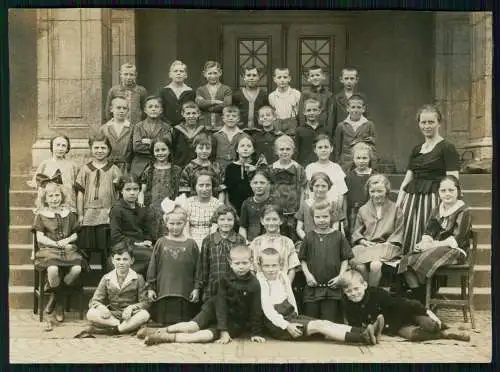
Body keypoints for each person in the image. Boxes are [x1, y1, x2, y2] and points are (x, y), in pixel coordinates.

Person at [143, 246, 265, 345]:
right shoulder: (224, 279)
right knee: (191, 327)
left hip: (234, 320)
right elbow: (220, 304)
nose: (241, 266)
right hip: (213, 309)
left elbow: (256, 309)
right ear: (230, 263)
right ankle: (160, 331)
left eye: (244, 263)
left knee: (205, 336)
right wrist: (223, 330)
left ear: (251, 262)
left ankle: (166, 338)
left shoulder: (254, 284)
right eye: (237, 263)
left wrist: (256, 332)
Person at [257, 248, 381, 345]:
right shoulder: (261, 280)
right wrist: (287, 325)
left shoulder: (282, 275)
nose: (271, 269)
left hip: (290, 316)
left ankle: (364, 330)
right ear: (260, 266)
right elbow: (268, 310)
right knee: (319, 326)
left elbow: (290, 296)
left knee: (324, 322)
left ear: (280, 264)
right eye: (266, 266)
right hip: (278, 325)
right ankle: (363, 337)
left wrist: (296, 315)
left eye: (274, 265)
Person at [395, 104, 460, 255]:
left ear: (439, 123)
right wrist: (399, 201)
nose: (427, 126)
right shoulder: (417, 149)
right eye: (423, 122)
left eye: (431, 122)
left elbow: (453, 179)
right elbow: (407, 179)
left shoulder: (447, 147)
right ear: (419, 124)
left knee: (428, 235)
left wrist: (449, 204)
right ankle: (408, 273)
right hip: (411, 200)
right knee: (409, 235)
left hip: (434, 199)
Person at [339, 269, 470, 342]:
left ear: (365, 285)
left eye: (356, 289)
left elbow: (404, 303)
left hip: (409, 313)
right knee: (413, 336)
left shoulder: (377, 294)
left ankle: (443, 327)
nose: (353, 294)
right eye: (349, 291)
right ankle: (446, 335)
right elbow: (356, 325)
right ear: (344, 292)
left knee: (430, 325)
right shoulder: (348, 305)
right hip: (396, 325)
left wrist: (427, 311)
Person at [397, 176, 472, 302]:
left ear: (458, 191)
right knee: (407, 260)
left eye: (451, 190)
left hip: (456, 251)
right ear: (438, 192)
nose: (447, 194)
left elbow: (456, 240)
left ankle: (424, 297)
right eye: (443, 190)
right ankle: (419, 295)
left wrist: (431, 245)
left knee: (424, 258)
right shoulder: (438, 209)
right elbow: (429, 231)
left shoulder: (463, 211)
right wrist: (424, 242)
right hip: (436, 248)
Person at [33, 180, 85, 330]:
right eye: (51, 196)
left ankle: (55, 295)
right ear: (45, 199)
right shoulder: (41, 215)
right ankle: (60, 302)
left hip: (68, 248)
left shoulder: (69, 214)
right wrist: (55, 244)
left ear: (62, 196)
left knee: (77, 269)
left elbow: (75, 234)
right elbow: (40, 238)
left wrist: (67, 240)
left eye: (57, 195)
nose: (54, 198)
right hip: (48, 249)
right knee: (53, 270)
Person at [145, 201, 199, 326]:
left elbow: (198, 268)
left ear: (185, 224)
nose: (175, 227)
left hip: (184, 292)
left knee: (183, 323)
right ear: (166, 224)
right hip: (164, 291)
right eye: (172, 223)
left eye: (179, 223)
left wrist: (196, 288)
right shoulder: (161, 242)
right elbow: (153, 266)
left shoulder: (191, 244)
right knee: (164, 322)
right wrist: (151, 288)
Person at [299, 201, 353, 323]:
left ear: (331, 217)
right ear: (313, 218)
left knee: (329, 323)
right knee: (311, 323)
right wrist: (308, 275)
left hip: (331, 288)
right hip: (313, 288)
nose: (321, 220)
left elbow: (345, 259)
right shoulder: (309, 236)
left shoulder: (338, 236)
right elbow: (302, 259)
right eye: (317, 217)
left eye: (325, 217)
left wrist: (340, 276)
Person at [76, 135, 122, 272]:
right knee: (85, 250)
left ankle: (106, 281)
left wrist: (113, 213)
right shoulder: (85, 169)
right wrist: (80, 214)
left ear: (109, 150)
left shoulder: (114, 169)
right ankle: (84, 282)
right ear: (91, 149)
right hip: (89, 215)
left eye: (103, 147)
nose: (99, 150)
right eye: (96, 147)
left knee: (106, 250)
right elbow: (80, 193)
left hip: (106, 215)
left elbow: (119, 194)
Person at [350, 175, 404, 288]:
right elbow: (357, 232)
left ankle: (371, 293)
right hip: (367, 246)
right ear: (368, 191)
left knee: (375, 265)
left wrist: (388, 243)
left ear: (387, 190)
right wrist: (363, 241)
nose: (376, 195)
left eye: (380, 191)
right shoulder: (363, 209)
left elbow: (399, 232)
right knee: (358, 265)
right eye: (372, 191)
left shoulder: (396, 208)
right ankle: (366, 290)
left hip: (387, 246)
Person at [85, 244, 150, 335]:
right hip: (112, 315)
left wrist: (131, 308)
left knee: (144, 314)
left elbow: (145, 303)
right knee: (90, 313)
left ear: (132, 261)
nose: (121, 263)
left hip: (130, 315)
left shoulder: (138, 278)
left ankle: (113, 330)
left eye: (125, 259)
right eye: (118, 259)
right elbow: (94, 301)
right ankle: (121, 326)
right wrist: (102, 308)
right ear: (113, 261)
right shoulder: (107, 278)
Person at [195, 205, 246, 303]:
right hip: (213, 289)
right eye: (222, 219)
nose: (226, 223)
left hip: (235, 289)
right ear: (216, 221)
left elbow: (244, 265)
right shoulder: (208, 240)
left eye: (229, 219)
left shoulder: (240, 240)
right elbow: (203, 266)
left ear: (234, 221)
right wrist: (199, 287)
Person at [109, 174, 154, 277]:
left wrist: (148, 241)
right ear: (121, 191)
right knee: (151, 256)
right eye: (128, 189)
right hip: (123, 247)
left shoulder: (142, 209)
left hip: (141, 245)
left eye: (135, 189)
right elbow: (115, 236)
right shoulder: (117, 209)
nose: (132, 193)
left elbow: (147, 231)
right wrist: (137, 243)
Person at [137, 136, 182, 240]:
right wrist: (141, 203)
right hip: (152, 211)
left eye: (163, 149)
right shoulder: (149, 170)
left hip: (170, 211)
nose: (160, 153)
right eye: (157, 150)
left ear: (169, 150)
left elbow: (180, 193)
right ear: (153, 152)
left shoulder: (176, 170)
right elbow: (142, 190)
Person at [250, 204, 301, 284]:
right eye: (267, 219)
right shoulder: (256, 243)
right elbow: (251, 269)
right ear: (262, 221)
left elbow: (292, 268)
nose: (271, 223)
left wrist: (287, 286)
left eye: (274, 219)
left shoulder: (287, 242)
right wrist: (257, 286)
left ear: (281, 220)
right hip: (261, 286)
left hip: (282, 285)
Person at [269, 135, 307, 241]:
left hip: (294, 212)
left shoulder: (298, 169)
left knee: (293, 237)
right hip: (276, 211)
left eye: (288, 149)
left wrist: (301, 209)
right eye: (281, 149)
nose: (285, 152)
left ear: (293, 151)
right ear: (276, 151)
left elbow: (303, 190)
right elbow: (269, 190)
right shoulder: (271, 169)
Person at [28, 135, 79, 213]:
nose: (60, 148)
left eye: (63, 146)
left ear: (67, 148)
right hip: (49, 206)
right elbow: (40, 187)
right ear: (52, 146)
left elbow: (78, 188)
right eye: (57, 145)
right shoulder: (45, 164)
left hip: (68, 207)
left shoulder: (73, 166)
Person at [305, 134, 348, 222]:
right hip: (315, 212)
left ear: (331, 149)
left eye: (326, 147)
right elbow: (307, 193)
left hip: (333, 211)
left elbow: (342, 193)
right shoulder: (310, 168)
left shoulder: (336, 168)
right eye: (320, 147)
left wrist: (339, 212)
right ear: (315, 150)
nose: (323, 150)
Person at [130, 95, 173, 177]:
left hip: (160, 164)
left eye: (156, 107)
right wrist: (157, 143)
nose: (153, 109)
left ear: (161, 110)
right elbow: (136, 147)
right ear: (145, 110)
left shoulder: (167, 127)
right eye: (150, 107)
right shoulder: (138, 126)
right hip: (140, 166)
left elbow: (167, 146)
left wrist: (150, 142)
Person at [296, 172, 343, 241]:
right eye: (317, 186)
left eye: (323, 186)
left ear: (328, 187)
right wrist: (307, 239)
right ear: (312, 186)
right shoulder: (305, 204)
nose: (320, 189)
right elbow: (299, 228)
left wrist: (327, 240)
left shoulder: (333, 204)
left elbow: (335, 227)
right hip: (309, 241)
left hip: (328, 241)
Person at [335, 94, 376, 172]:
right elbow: (337, 149)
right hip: (345, 164)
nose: (355, 110)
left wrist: (372, 165)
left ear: (363, 109)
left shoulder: (369, 124)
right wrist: (338, 165)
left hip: (363, 163)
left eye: (359, 107)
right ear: (348, 108)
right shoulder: (341, 126)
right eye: (353, 107)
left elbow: (373, 147)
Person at [179, 132, 225, 201]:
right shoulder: (189, 168)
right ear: (195, 149)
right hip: (193, 206)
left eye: (207, 148)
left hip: (213, 205)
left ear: (211, 149)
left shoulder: (216, 167)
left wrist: (220, 206)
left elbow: (221, 191)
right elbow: (184, 192)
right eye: (201, 148)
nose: (204, 151)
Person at [184, 170, 224, 249]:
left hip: (211, 242)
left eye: (208, 185)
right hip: (190, 241)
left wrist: (207, 245)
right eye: (201, 185)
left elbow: (215, 229)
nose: (204, 189)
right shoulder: (187, 203)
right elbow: (186, 229)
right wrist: (191, 244)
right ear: (195, 186)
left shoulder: (218, 205)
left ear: (212, 186)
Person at [345, 142, 377, 236]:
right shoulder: (349, 176)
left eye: (364, 158)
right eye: (358, 158)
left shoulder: (374, 176)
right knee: (354, 236)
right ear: (353, 159)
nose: (361, 161)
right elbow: (345, 198)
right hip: (353, 212)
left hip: (371, 211)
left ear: (369, 158)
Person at [222, 134, 259, 216]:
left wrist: (255, 171)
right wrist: (229, 208)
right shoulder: (230, 168)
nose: (245, 149)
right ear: (237, 149)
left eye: (249, 146)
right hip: (234, 209)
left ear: (253, 150)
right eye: (242, 146)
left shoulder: (258, 166)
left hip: (254, 208)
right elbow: (226, 190)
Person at [239, 168, 276, 243]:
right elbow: (242, 227)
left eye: (262, 183)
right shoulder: (247, 203)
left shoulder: (275, 203)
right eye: (255, 183)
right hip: (251, 242)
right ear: (250, 184)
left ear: (269, 184)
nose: (258, 186)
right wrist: (245, 242)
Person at [100, 96, 134, 174]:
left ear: (128, 110)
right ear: (111, 109)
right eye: (118, 108)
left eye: (124, 108)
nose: (121, 111)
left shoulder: (132, 128)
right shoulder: (104, 128)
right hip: (107, 167)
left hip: (126, 167)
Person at [172, 101, 211, 168]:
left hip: (198, 167)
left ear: (198, 114)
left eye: (194, 113)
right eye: (188, 113)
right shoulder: (176, 131)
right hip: (180, 166)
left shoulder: (203, 130)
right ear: (183, 114)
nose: (191, 116)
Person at [297, 65, 334, 136]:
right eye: (312, 76)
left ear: (323, 76)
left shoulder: (329, 95)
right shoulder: (305, 94)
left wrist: (329, 132)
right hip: (308, 129)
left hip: (323, 129)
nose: (315, 78)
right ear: (308, 78)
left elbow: (330, 116)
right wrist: (303, 129)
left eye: (317, 75)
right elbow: (301, 114)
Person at [195, 61, 232, 131]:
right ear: (204, 74)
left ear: (220, 73)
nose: (213, 76)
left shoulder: (226, 89)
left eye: (215, 73)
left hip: (221, 126)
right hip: (204, 126)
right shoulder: (200, 90)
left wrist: (206, 107)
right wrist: (215, 101)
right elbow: (199, 104)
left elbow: (227, 105)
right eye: (209, 73)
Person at [295, 98, 332, 166]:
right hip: (305, 165)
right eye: (309, 110)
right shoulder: (299, 130)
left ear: (319, 111)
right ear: (304, 112)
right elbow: (297, 152)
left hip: (323, 164)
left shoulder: (325, 130)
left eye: (314, 110)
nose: (312, 113)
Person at [159, 60, 196, 126]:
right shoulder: (164, 91)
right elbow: (161, 111)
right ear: (170, 74)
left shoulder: (191, 92)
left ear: (186, 75)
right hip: (167, 128)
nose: (178, 73)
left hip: (186, 128)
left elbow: (193, 111)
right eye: (175, 71)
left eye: (181, 71)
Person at [232, 65, 269, 130]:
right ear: (244, 77)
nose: (251, 78)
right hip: (241, 131)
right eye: (248, 75)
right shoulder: (237, 95)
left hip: (259, 131)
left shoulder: (263, 95)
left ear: (259, 77)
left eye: (254, 75)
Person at [332, 68, 367, 135]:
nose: (349, 81)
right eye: (346, 78)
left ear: (356, 80)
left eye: (352, 78)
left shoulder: (362, 97)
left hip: (358, 133)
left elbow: (366, 117)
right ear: (341, 80)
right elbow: (332, 121)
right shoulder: (336, 98)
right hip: (342, 134)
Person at [268, 67, 301, 136]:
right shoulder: (271, 96)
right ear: (274, 79)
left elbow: (299, 113)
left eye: (285, 77)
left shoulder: (296, 94)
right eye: (279, 77)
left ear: (289, 78)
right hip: (277, 127)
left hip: (292, 127)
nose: (282, 80)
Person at [213, 105, 246, 170]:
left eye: (234, 116)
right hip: (219, 171)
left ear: (238, 119)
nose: (230, 118)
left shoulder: (243, 136)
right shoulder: (215, 136)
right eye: (227, 116)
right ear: (223, 118)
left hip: (237, 170)